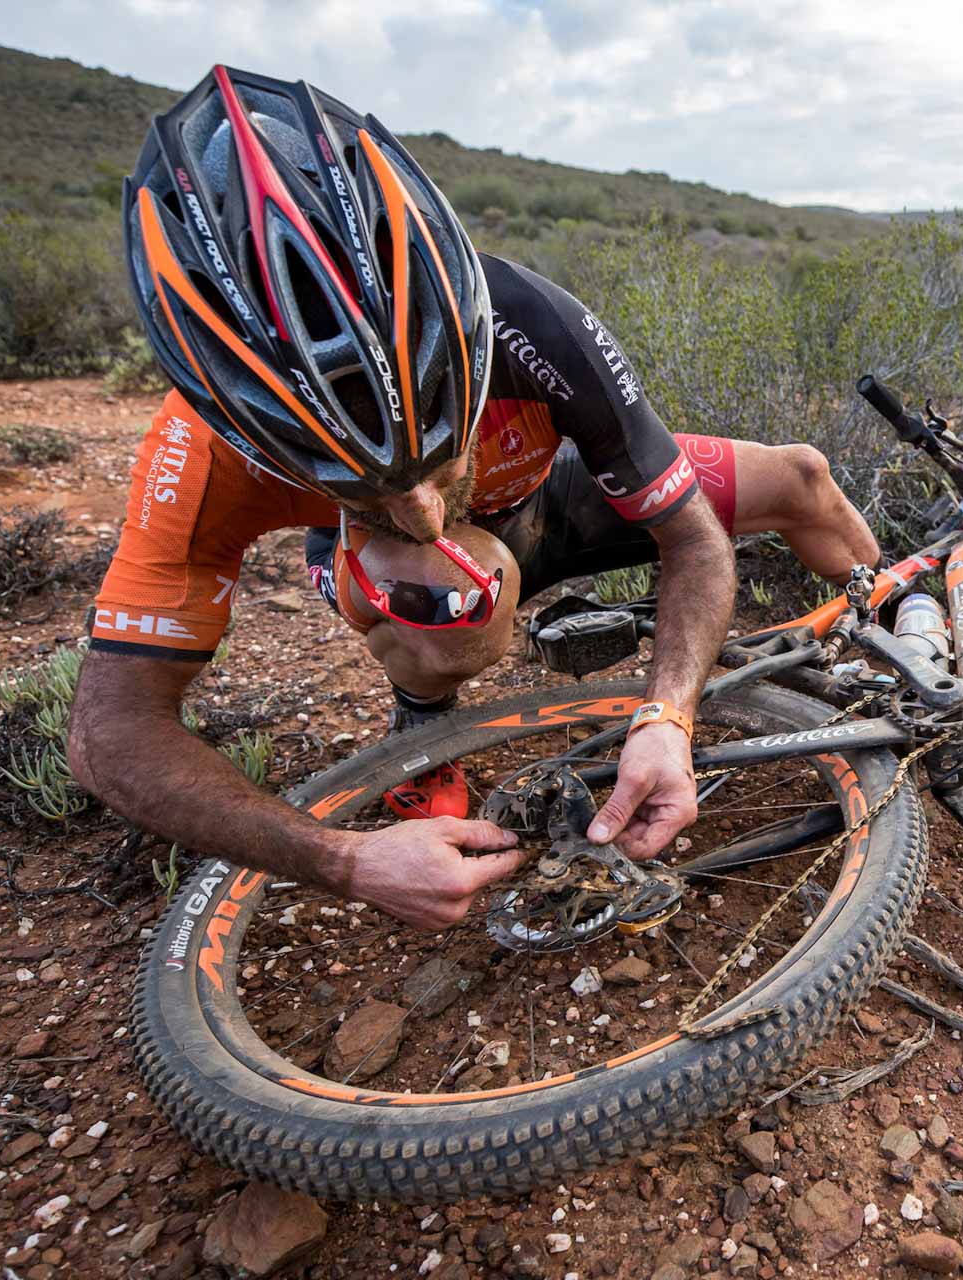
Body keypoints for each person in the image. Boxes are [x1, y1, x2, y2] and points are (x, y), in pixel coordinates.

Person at [66, 65, 878, 931]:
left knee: (801, 477)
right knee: (458, 591)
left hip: (552, 494)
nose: (418, 506)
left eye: (439, 452)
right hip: (417, 570)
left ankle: (898, 620)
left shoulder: (527, 322)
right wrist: (342, 860)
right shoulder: (205, 447)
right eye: (365, 486)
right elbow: (109, 737)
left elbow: (691, 537)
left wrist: (667, 713)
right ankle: (423, 725)